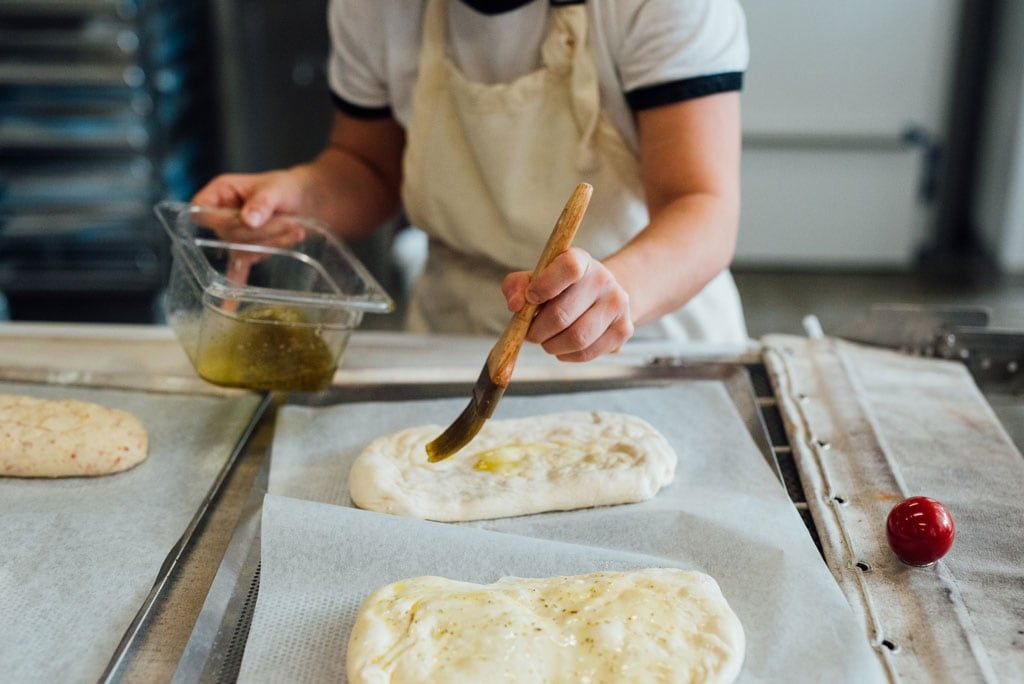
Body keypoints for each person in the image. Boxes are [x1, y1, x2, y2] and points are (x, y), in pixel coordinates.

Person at [194, 0, 750, 361]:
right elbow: (368, 167)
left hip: (645, 339)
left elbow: (701, 204)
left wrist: (614, 292)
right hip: (453, 335)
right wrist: (298, 194)